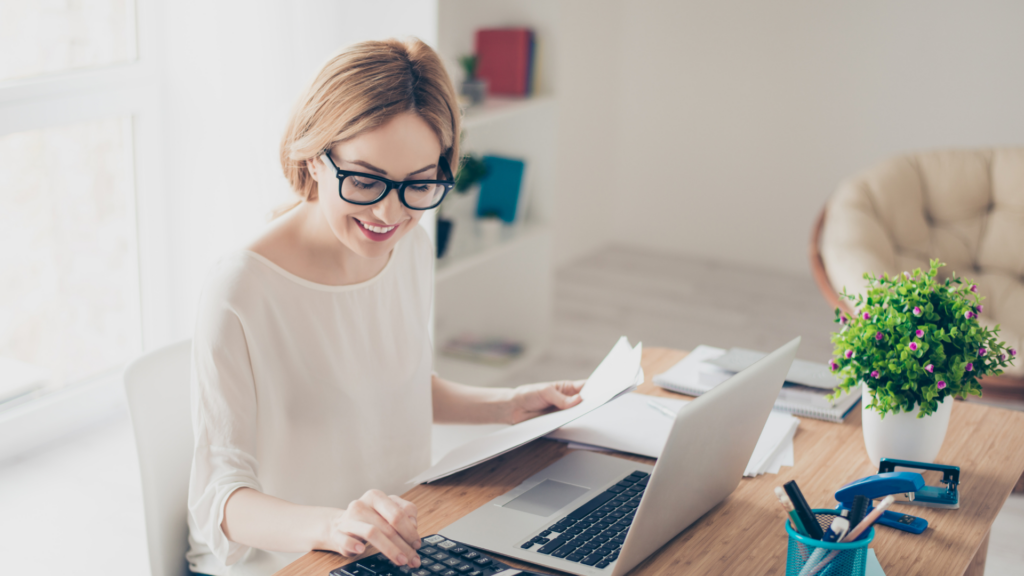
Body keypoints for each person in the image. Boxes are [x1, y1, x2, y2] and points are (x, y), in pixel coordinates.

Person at [185, 38, 585, 576]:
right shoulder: (240, 290)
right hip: (293, 560)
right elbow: (221, 500)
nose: (389, 211)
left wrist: (509, 404)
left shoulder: (408, 247)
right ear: (313, 153)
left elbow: (391, 387)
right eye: (366, 179)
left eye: (419, 183)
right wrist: (333, 525)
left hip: (403, 544)